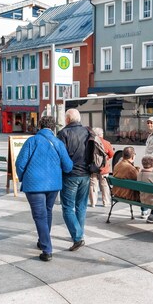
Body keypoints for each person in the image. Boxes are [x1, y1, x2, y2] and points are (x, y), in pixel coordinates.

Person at [16, 116, 73, 262]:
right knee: (47, 212)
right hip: (53, 185)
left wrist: (23, 177)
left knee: (40, 215)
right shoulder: (58, 142)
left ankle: (47, 249)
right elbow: (68, 166)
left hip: (34, 184)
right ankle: (43, 241)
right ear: (53, 127)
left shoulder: (32, 141)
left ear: (39, 125)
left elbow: (20, 163)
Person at [57, 108, 91, 252]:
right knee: (81, 206)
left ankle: (77, 238)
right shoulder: (88, 131)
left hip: (70, 175)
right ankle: (79, 233)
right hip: (86, 174)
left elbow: (60, 155)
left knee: (67, 207)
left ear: (67, 119)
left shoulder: (63, 133)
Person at [88, 127, 114, 208]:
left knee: (93, 184)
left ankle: (93, 202)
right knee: (104, 185)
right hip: (104, 168)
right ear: (101, 134)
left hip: (93, 167)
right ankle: (105, 202)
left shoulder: (89, 142)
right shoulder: (106, 143)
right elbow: (111, 154)